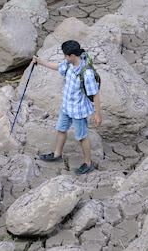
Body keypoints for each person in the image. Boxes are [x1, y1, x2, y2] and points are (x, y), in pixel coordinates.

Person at [33, 40, 102, 175]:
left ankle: (88, 163)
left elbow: (95, 94)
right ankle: (57, 154)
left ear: (72, 56)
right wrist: (41, 62)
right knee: (61, 129)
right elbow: (58, 66)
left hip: (78, 110)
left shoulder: (86, 74)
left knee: (81, 136)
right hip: (66, 106)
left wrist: (98, 114)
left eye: (66, 55)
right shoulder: (69, 64)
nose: (64, 58)